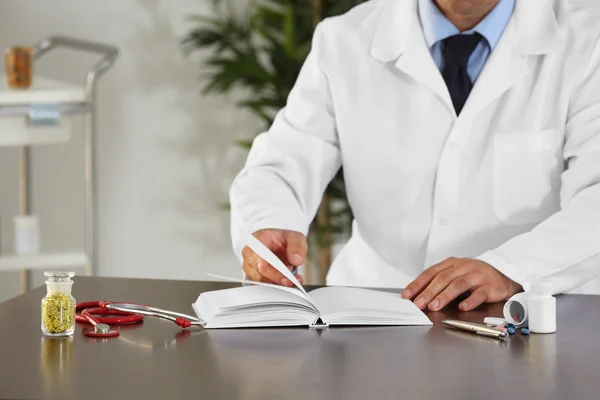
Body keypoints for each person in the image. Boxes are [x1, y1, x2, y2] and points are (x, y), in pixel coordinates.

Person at [229, 0, 600, 312]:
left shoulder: (588, 36)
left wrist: (510, 268)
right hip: (371, 315)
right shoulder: (345, 39)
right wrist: (269, 223)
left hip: (529, 315)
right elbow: (282, 162)